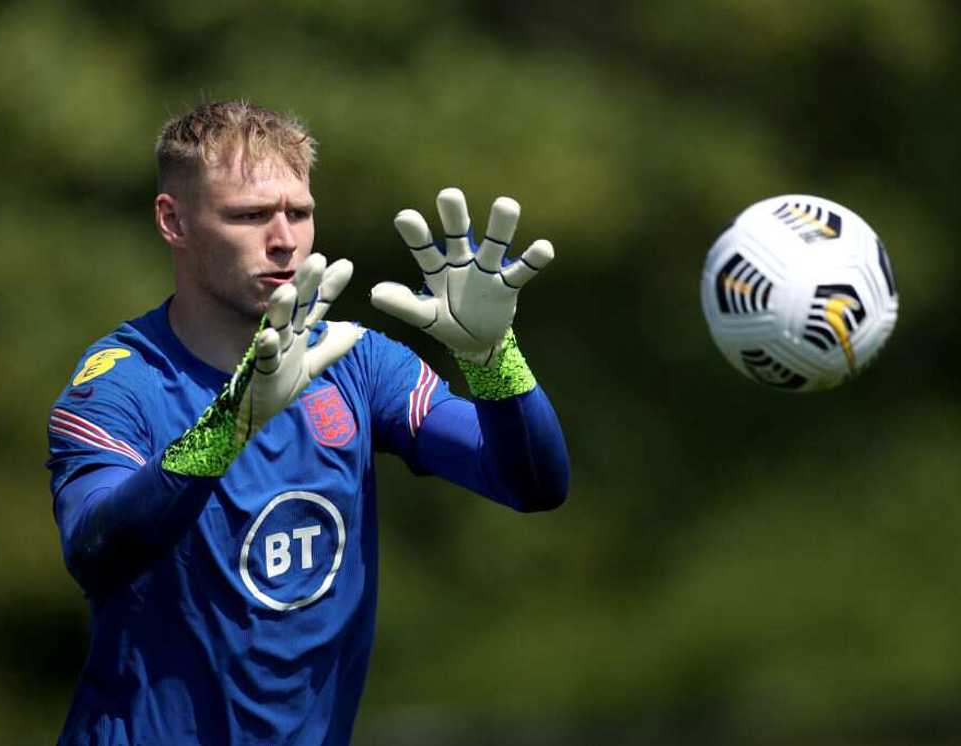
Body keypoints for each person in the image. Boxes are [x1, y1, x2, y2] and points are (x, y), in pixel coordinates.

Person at [46, 100, 569, 745]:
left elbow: (533, 484)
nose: (284, 239)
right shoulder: (120, 384)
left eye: (299, 212)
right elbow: (97, 552)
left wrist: (492, 359)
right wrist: (232, 426)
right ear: (173, 221)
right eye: (249, 216)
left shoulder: (356, 363)